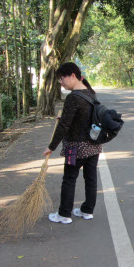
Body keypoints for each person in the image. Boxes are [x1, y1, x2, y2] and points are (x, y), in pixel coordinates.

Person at [43, 62, 101, 224]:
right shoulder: (90, 92)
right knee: (91, 178)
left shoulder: (73, 97)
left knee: (69, 178)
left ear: (73, 76)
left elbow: (64, 126)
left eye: (62, 79)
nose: (61, 82)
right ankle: (87, 210)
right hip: (94, 145)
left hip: (75, 147)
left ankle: (64, 214)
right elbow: (85, 117)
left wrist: (51, 146)